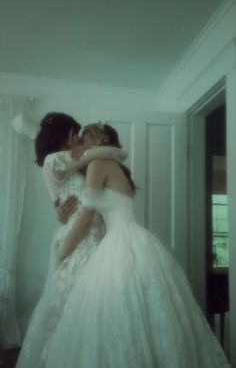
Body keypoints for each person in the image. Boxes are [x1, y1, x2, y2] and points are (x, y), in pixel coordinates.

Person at [44, 122, 230, 368]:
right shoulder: (118, 167)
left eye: (85, 140)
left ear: (98, 141)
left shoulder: (98, 164)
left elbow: (86, 217)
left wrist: (61, 253)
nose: (80, 147)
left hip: (119, 241)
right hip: (133, 238)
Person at [15, 113, 127, 368]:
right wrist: (91, 148)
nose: (78, 140)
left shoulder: (69, 164)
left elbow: (60, 206)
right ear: (67, 136)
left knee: (94, 305)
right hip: (80, 239)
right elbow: (118, 154)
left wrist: (59, 212)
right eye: (76, 135)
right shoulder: (55, 159)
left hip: (92, 235)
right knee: (74, 305)